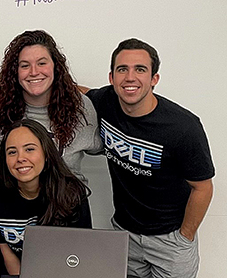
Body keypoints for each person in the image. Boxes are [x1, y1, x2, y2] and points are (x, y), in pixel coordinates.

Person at [85, 38, 215, 278]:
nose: (130, 77)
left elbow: (203, 187)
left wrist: (184, 236)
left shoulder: (184, 127)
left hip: (170, 241)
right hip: (124, 234)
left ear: (154, 78)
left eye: (140, 69)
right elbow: (77, 91)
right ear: (112, 78)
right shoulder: (105, 101)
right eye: (122, 69)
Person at [0, 29, 101, 192]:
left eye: (42, 63)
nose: (34, 72)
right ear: (14, 71)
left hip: (65, 207)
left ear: (56, 67)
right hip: (7, 209)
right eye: (25, 65)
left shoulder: (81, 107)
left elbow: (106, 147)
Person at [0, 119, 91, 275]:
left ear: (46, 154)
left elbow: (83, 251)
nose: (20, 158)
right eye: (12, 152)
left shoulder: (71, 192)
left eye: (29, 149)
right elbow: (0, 243)